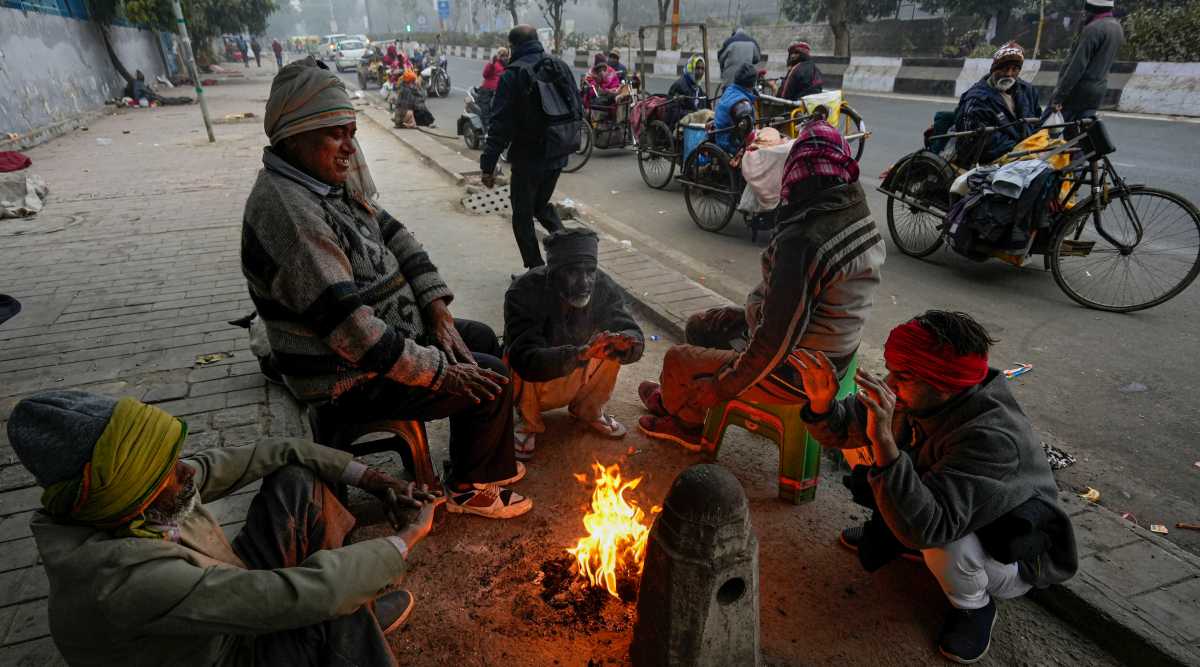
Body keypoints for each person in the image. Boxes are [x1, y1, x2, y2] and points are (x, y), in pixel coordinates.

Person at [242, 57, 531, 518]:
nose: (349, 148)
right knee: (490, 376)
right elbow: (354, 333)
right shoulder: (291, 215)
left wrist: (435, 307)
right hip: (341, 376)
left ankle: (475, 462)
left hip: (372, 345)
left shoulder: (321, 184)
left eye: (351, 133)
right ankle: (471, 490)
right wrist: (438, 371)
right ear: (293, 135)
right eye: (335, 133)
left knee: (473, 338)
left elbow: (394, 231)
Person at [8, 389, 443, 665]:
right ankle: (349, 630)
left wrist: (369, 477)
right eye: (166, 472)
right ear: (124, 495)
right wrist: (403, 541)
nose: (184, 473)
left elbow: (271, 452)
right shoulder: (120, 580)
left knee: (295, 480)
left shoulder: (132, 502)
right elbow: (294, 595)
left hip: (219, 602)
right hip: (224, 652)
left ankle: (353, 616)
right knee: (322, 604)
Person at [791, 311, 1077, 664]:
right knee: (865, 442)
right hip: (940, 504)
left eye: (903, 375)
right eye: (892, 370)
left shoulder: (991, 439)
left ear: (943, 385)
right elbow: (842, 426)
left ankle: (974, 606)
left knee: (942, 541)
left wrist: (884, 443)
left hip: (1010, 549)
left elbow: (929, 528)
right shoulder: (922, 392)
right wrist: (821, 404)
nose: (890, 383)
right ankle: (892, 535)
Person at [638, 119, 884, 449]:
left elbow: (775, 342)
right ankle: (681, 399)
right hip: (830, 353)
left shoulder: (805, 240)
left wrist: (723, 386)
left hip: (802, 374)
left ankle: (686, 424)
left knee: (678, 359)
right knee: (703, 325)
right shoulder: (851, 202)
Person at [505, 229, 645, 459]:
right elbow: (525, 357)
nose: (584, 282)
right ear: (554, 272)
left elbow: (629, 329)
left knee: (613, 344)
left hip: (578, 364)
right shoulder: (523, 291)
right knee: (516, 357)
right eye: (572, 272)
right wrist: (578, 355)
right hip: (536, 374)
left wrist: (629, 344)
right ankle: (528, 422)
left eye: (590, 272)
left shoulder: (603, 286)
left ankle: (588, 410)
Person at [481, 25, 580, 270]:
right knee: (540, 205)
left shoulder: (512, 75)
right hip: (559, 154)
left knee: (522, 215)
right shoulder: (560, 66)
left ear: (513, 46)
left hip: (528, 158)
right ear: (537, 41)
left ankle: (536, 270)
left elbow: (500, 124)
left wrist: (488, 165)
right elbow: (578, 107)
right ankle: (568, 250)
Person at [953, 42, 1042, 164]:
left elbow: (1037, 123)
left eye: (1014, 69)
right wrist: (1019, 149)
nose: (1009, 74)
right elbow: (976, 142)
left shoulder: (1028, 91)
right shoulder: (976, 99)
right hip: (993, 160)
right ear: (994, 69)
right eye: (1005, 69)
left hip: (1026, 154)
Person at [1049, 0, 1124, 128]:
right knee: (1081, 134)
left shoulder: (1093, 29)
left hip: (1078, 92)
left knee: (1049, 131)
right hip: (1097, 91)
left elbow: (1077, 67)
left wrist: (1059, 97)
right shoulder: (1117, 27)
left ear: (1092, 9)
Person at [712, 62, 758, 155]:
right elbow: (744, 136)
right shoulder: (743, 105)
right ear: (752, 83)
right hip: (729, 143)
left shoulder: (730, 91)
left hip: (720, 136)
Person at [582, 53, 622, 119]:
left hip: (610, 97)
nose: (602, 70)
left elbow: (616, 85)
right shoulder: (591, 74)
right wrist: (598, 80)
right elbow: (591, 91)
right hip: (597, 98)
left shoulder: (611, 72)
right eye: (599, 69)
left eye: (603, 68)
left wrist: (611, 90)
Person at [478, 47, 509, 130]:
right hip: (488, 89)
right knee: (486, 106)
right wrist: (491, 64)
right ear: (498, 55)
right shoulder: (494, 63)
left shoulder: (508, 65)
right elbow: (485, 74)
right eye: (502, 55)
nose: (504, 57)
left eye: (506, 55)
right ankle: (486, 126)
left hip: (500, 89)